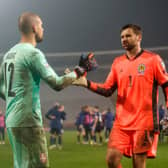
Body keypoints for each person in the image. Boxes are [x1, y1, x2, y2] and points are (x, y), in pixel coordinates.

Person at [72, 24, 168, 168]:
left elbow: (166, 85)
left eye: (128, 36)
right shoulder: (118, 62)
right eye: (122, 37)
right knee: (111, 160)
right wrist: (86, 83)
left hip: (144, 122)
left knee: (138, 164)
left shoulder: (153, 60)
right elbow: (107, 89)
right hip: (121, 123)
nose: (124, 39)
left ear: (139, 37)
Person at [0, 12, 84, 168]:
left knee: (22, 165)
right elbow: (57, 83)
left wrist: (15, 98)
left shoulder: (9, 54)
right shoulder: (33, 53)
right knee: (39, 165)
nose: (43, 29)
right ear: (34, 28)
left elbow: (0, 86)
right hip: (28, 121)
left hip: (12, 120)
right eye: (41, 25)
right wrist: (80, 70)